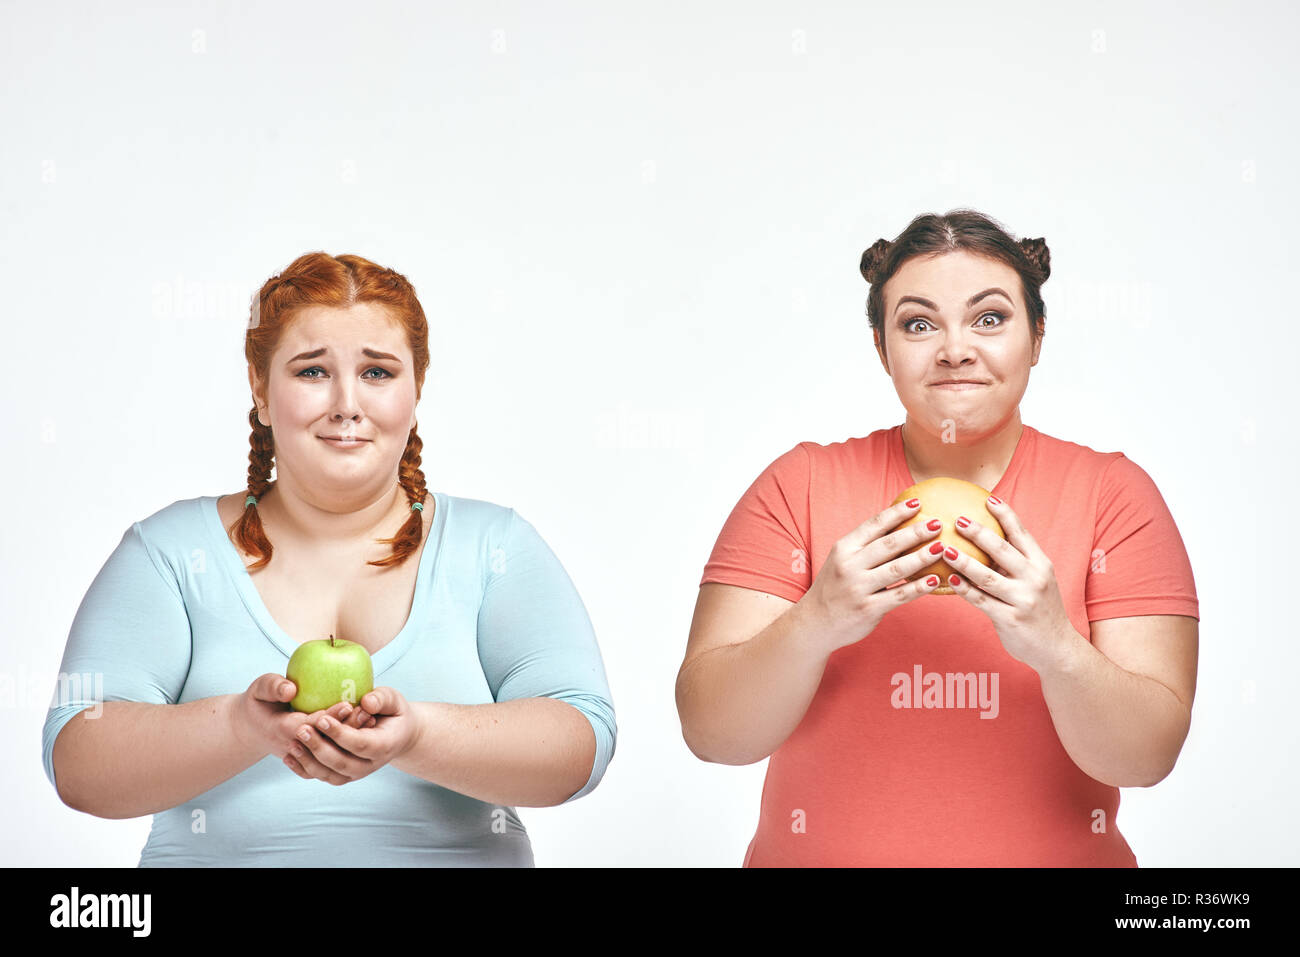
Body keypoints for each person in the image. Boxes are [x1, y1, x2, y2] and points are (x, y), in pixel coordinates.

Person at [42, 252, 617, 866]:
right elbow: (78, 761)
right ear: (260, 389)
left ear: (417, 388)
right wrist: (242, 726)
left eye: (377, 372)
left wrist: (418, 736)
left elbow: (582, 746)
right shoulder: (169, 552)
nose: (346, 403)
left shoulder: (495, 546)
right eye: (313, 372)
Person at [677, 209, 1199, 866]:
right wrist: (817, 619)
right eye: (918, 323)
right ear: (880, 347)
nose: (955, 348)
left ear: (1036, 336)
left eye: (989, 317)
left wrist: (1056, 645)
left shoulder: (1114, 495)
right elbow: (712, 733)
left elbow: (1146, 757)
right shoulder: (800, 483)